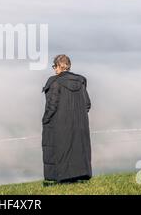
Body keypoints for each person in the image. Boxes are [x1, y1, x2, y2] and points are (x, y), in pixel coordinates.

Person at [41, 54, 92, 186]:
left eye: (54, 66)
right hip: (79, 124)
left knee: (61, 151)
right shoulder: (80, 81)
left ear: (59, 65)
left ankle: (62, 178)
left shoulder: (55, 82)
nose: (54, 69)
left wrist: (45, 120)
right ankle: (75, 177)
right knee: (77, 149)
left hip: (60, 124)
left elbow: (52, 105)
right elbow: (87, 104)